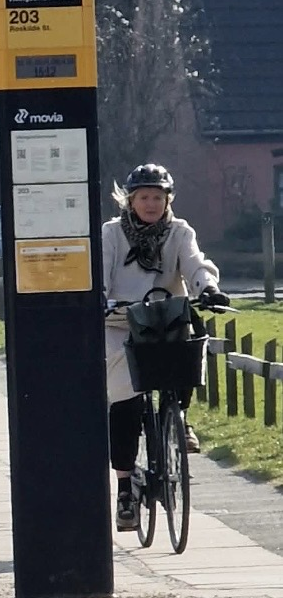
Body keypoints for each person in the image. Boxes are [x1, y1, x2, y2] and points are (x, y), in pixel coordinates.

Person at [103, 164, 229, 529]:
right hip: (120, 323)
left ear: (167, 200)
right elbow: (101, 270)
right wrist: (99, 297)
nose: (151, 203)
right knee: (123, 401)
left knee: (192, 340)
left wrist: (207, 288)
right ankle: (125, 487)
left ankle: (181, 416)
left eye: (158, 197)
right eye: (144, 197)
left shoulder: (179, 231)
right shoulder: (111, 234)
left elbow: (195, 263)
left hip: (165, 318)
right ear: (130, 200)